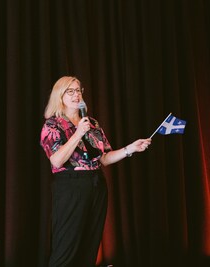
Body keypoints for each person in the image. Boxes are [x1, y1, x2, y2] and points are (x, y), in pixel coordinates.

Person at [40, 76, 151, 267]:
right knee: (67, 245)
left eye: (79, 90)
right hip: (71, 186)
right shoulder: (53, 125)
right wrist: (78, 133)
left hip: (96, 184)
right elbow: (57, 160)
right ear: (60, 95)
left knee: (89, 244)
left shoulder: (92, 123)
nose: (77, 95)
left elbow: (104, 158)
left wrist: (130, 148)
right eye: (71, 91)